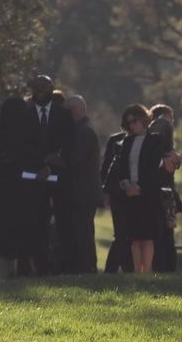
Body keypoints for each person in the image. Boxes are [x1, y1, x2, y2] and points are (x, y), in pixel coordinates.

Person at [19, 74, 75, 276]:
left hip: (57, 178)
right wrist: (42, 163)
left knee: (59, 225)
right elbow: (21, 145)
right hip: (31, 177)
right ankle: (32, 267)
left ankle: (59, 268)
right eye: (38, 89)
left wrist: (51, 167)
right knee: (32, 223)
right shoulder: (23, 114)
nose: (41, 93)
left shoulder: (63, 115)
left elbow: (68, 145)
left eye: (45, 89)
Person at [105, 104, 164, 273]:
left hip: (147, 194)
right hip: (129, 195)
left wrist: (140, 187)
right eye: (129, 122)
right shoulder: (127, 141)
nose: (132, 125)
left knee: (147, 235)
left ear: (144, 120)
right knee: (134, 236)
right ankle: (138, 272)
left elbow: (153, 167)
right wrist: (127, 185)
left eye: (135, 121)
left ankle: (148, 271)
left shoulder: (155, 140)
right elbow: (121, 167)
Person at [0, 96, 33, 267]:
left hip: (3, 181)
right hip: (24, 181)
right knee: (22, 222)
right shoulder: (28, 129)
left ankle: (2, 262)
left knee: (3, 221)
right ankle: (23, 264)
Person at [60, 95, 101, 274]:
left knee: (82, 232)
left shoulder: (83, 132)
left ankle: (86, 267)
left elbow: (75, 160)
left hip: (82, 192)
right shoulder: (82, 130)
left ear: (76, 109)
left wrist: (59, 158)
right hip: (82, 191)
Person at [149, 104, 182, 272]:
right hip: (161, 193)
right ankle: (164, 268)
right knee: (163, 234)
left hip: (166, 194)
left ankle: (166, 268)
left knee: (166, 234)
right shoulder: (160, 128)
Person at [101, 124, 133, 274]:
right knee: (121, 234)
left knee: (126, 234)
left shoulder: (147, 141)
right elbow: (107, 167)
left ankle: (116, 269)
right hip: (118, 193)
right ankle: (114, 269)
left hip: (133, 192)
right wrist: (105, 192)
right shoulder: (116, 141)